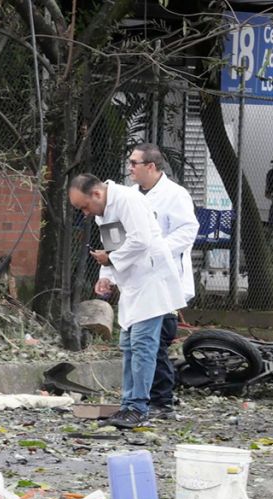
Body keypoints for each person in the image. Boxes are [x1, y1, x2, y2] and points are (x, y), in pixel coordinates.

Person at [69, 173, 187, 428]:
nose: (85, 213)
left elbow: (141, 241)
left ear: (96, 194)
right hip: (134, 283)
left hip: (152, 279)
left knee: (143, 345)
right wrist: (106, 276)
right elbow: (113, 246)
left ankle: (138, 407)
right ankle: (127, 405)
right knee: (129, 345)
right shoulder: (104, 210)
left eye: (84, 206)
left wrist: (111, 261)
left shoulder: (128, 200)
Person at [124, 143, 199, 419]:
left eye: (135, 163)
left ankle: (162, 401)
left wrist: (158, 250)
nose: (130, 168)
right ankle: (148, 398)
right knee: (140, 341)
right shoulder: (130, 195)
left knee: (156, 342)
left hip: (166, 279)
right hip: (138, 279)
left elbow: (188, 229)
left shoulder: (175, 195)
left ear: (151, 167)